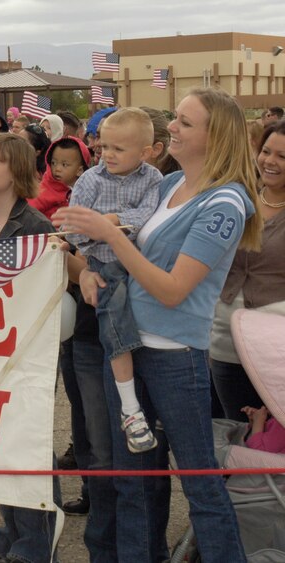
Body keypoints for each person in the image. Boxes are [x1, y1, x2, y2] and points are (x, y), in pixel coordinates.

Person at [54, 88, 262, 562]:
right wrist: (87, 268)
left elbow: (172, 289)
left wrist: (109, 233)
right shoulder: (168, 186)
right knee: (134, 481)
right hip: (127, 345)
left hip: (174, 354)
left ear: (216, 137)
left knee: (199, 482)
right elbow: (124, 263)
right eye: (176, 118)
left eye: (185, 123)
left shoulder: (224, 204)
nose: (172, 127)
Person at [0, 133, 61, 563]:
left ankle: (35, 542)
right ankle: (11, 529)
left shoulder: (37, 227)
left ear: (17, 172)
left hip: (27, 349)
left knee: (29, 439)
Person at [66, 108, 163, 453]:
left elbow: (148, 215)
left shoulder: (153, 179)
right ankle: (131, 409)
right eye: (104, 146)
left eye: (119, 149)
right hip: (106, 268)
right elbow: (74, 227)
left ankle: (148, 404)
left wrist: (111, 221)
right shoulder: (90, 180)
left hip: (140, 267)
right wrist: (100, 234)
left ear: (148, 152)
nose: (107, 154)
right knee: (116, 325)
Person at [210, 120, 285, 421]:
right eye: (266, 151)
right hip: (225, 341)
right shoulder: (237, 198)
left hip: (277, 348)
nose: (270, 161)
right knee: (234, 431)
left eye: (282, 156)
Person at [27, 136, 91, 220]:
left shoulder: (86, 190)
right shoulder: (45, 189)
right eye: (53, 163)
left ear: (80, 170)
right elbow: (27, 211)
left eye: (64, 165)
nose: (57, 169)